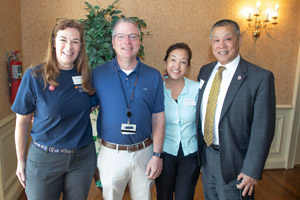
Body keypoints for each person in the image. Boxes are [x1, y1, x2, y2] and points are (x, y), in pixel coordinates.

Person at [11, 18, 97, 200]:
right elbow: (22, 121)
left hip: (82, 159)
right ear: (53, 43)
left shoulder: (87, 76)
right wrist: (20, 161)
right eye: (63, 40)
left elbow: (92, 105)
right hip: (44, 159)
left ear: (81, 46)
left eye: (75, 41)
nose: (69, 46)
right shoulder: (34, 77)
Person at [196, 19, 276, 199]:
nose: (221, 45)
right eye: (216, 40)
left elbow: (263, 129)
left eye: (227, 39)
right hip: (207, 158)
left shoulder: (260, 78)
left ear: (239, 40)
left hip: (237, 164)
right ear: (211, 43)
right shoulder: (205, 71)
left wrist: (251, 170)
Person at [92, 18, 165, 200]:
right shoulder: (97, 74)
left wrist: (157, 155)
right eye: (121, 36)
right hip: (111, 155)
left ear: (139, 41)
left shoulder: (153, 76)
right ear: (113, 42)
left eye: (133, 36)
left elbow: (158, 117)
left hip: (145, 154)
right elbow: (81, 107)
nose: (127, 42)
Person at [155, 43, 200, 200]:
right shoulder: (157, 89)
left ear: (188, 66)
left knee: (185, 196)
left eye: (183, 61)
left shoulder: (197, 89)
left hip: (190, 154)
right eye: (173, 60)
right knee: (163, 195)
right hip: (164, 153)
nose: (177, 66)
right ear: (166, 63)